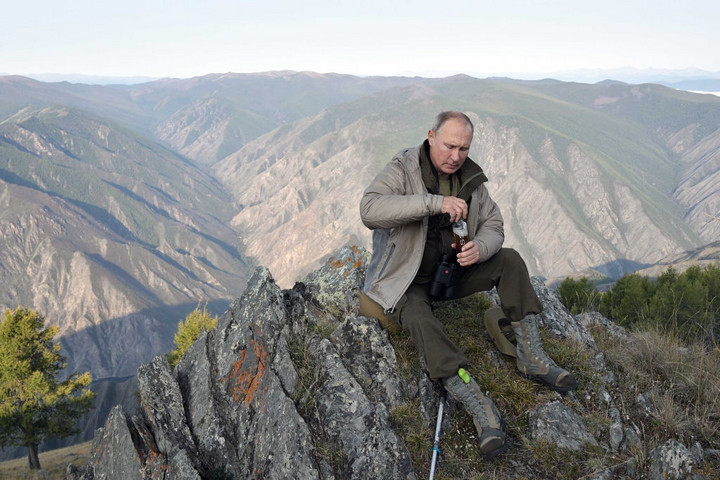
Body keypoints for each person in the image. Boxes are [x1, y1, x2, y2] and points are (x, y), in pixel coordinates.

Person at [359, 111, 577, 458]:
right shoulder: (403, 169)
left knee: (510, 259)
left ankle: (532, 357)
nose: (455, 156)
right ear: (431, 136)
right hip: (405, 279)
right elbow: (369, 209)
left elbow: (493, 224)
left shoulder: (470, 179)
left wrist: (481, 248)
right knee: (418, 317)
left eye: (463, 148)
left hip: (452, 273)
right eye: (448, 146)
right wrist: (435, 204)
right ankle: (477, 403)